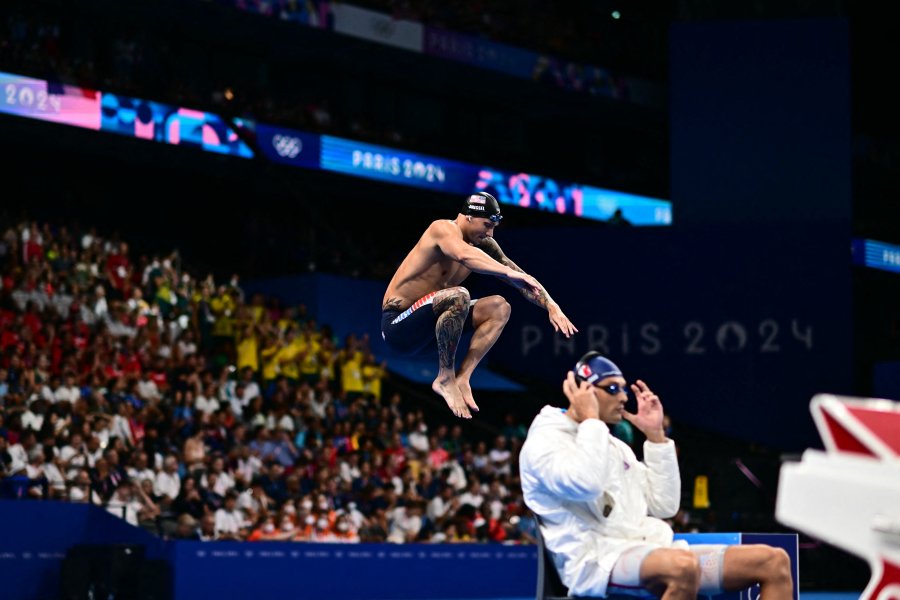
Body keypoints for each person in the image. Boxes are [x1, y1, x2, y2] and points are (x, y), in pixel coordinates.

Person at [519, 352, 793, 599]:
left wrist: (656, 437)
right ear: (584, 391)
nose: (624, 397)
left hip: (647, 549)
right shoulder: (545, 441)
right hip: (597, 562)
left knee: (773, 561)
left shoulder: (613, 446)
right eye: (613, 388)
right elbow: (586, 485)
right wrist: (591, 421)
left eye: (624, 389)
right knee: (682, 569)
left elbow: (664, 505)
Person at [381, 192, 577, 418]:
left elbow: (522, 279)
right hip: (399, 326)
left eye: (493, 227)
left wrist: (552, 306)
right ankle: (445, 377)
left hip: (432, 334)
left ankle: (462, 377)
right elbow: (463, 255)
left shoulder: (483, 244)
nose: (490, 233)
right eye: (486, 225)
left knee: (500, 307)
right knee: (459, 295)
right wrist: (504, 272)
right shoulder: (442, 229)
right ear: (468, 216)